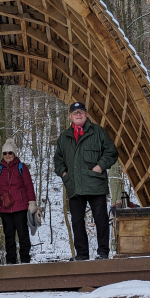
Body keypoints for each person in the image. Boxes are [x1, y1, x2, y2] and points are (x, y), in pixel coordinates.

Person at [54, 102, 118, 260]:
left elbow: (111, 152)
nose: (78, 114)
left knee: (101, 219)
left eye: (81, 112)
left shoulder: (97, 131)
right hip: (74, 185)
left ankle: (103, 252)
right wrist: (63, 173)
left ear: (86, 114)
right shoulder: (64, 137)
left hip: (95, 183)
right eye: (75, 112)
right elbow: (58, 159)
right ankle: (82, 255)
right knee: (76, 221)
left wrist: (100, 166)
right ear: (70, 116)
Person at [0, 139, 37, 264]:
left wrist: (32, 202)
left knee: (23, 234)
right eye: (5, 153)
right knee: (9, 235)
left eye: (10, 153)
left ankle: (25, 260)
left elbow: (29, 185)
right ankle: (11, 262)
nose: (7, 156)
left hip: (20, 206)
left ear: (14, 154)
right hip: (4, 207)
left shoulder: (21, 167)